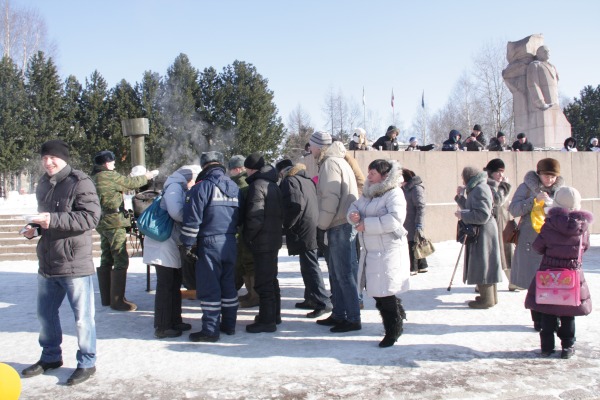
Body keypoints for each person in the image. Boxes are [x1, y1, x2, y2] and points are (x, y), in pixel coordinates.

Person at [21, 140, 100, 386]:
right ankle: (50, 357)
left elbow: (90, 217)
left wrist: (52, 220)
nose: (48, 162)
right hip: (48, 262)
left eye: (53, 158)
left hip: (74, 264)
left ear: (64, 159)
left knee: (82, 318)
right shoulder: (44, 183)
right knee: (45, 315)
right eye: (44, 158)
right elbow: (44, 219)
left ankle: (87, 362)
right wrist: (33, 228)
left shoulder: (80, 181)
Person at [524, 186, 593, 359]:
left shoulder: (550, 224)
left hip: (549, 272)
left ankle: (547, 347)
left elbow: (538, 247)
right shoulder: (582, 227)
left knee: (547, 309)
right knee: (568, 311)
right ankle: (568, 347)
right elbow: (585, 247)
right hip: (571, 273)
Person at [348, 159, 409, 347]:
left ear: (384, 175)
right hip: (371, 250)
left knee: (384, 292)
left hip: (388, 250)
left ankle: (393, 329)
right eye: (369, 172)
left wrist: (367, 225)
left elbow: (395, 219)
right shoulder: (368, 193)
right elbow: (354, 207)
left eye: (373, 173)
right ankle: (397, 315)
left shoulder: (394, 194)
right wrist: (353, 216)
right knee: (377, 291)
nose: (369, 177)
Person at [181, 151, 240, 342]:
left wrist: (187, 245)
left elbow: (192, 221)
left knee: (210, 288)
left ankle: (210, 330)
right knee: (228, 286)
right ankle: (229, 325)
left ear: (204, 167)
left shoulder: (201, 188)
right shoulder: (234, 187)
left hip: (209, 243)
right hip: (230, 242)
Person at [92, 150, 158, 311]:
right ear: (107, 163)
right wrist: (147, 176)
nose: (114, 164)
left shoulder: (94, 177)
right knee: (120, 258)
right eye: (113, 161)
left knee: (106, 257)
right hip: (114, 221)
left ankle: (107, 298)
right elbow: (130, 183)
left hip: (102, 222)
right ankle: (118, 300)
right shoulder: (109, 176)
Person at [310, 131, 361, 333]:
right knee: (338, 273)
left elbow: (330, 198)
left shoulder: (330, 164)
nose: (310, 149)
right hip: (341, 223)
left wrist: (321, 225)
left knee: (343, 274)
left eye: (312, 146)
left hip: (338, 224)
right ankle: (340, 314)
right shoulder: (338, 162)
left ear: (319, 146)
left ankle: (352, 318)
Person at [143, 165, 201, 339]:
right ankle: (162, 325)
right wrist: (193, 217)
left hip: (168, 243)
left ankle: (175, 320)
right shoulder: (175, 187)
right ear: (189, 178)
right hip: (163, 243)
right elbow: (176, 213)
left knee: (174, 282)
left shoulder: (175, 186)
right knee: (166, 285)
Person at [509, 158, 564, 330]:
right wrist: (533, 201)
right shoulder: (526, 187)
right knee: (534, 281)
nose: (549, 180)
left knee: (553, 281)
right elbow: (513, 209)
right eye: (546, 176)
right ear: (539, 173)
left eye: (553, 177)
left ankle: (554, 317)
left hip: (553, 241)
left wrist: (553, 206)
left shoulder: (561, 190)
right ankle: (538, 319)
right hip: (530, 240)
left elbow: (568, 210)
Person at [276, 159, 332, 318]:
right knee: (307, 265)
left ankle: (323, 301)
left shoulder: (290, 181)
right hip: (312, 226)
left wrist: (286, 225)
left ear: (282, 171)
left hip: (302, 229)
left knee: (310, 267)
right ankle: (311, 298)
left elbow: (295, 205)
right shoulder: (306, 179)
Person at [243, 152, 284, 333]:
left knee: (263, 282)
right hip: (273, 238)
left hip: (262, 240)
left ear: (251, 169)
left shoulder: (257, 186)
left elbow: (255, 216)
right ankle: (274, 315)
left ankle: (267, 321)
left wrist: (248, 236)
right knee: (271, 279)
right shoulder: (273, 184)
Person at [454, 166, 503, 309]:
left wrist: (463, 215)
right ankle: (491, 298)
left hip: (483, 232)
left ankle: (486, 300)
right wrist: (460, 197)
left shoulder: (480, 189)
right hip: (484, 231)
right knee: (487, 263)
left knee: (483, 264)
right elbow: (473, 207)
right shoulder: (479, 187)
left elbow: (482, 215)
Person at [483, 159, 518, 291]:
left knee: (507, 252)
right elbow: (498, 201)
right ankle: (483, 284)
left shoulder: (497, 184)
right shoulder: (488, 185)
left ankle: (512, 281)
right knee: (493, 253)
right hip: (493, 224)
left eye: (502, 172)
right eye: (498, 172)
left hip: (504, 223)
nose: (501, 175)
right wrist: (505, 186)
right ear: (491, 172)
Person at [228, 154, 258, 308]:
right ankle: (250, 292)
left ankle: (254, 295)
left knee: (248, 261)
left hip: (245, 229)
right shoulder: (242, 183)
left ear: (238, 169)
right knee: (243, 262)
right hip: (243, 229)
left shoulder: (242, 184)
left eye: (232, 169)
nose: (230, 172)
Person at [401, 168, 429, 275]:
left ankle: (414, 267)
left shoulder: (416, 188)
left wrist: (419, 223)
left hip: (414, 220)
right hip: (407, 220)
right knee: (412, 242)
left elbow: (421, 206)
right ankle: (422, 265)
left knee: (414, 242)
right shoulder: (405, 188)